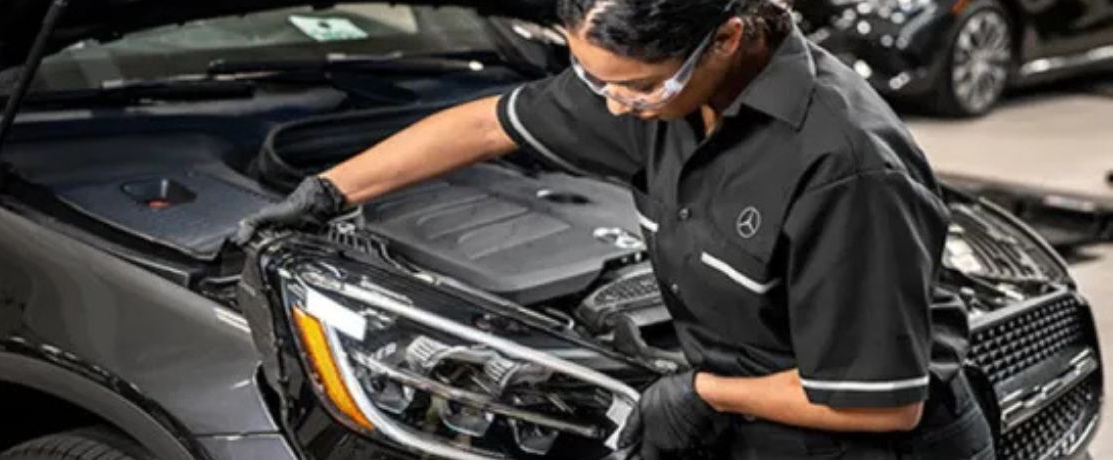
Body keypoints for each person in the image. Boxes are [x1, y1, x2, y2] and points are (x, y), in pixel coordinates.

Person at [234, 0, 994, 458]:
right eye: (592, 79)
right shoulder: (657, 94)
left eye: (630, 86)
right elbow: (484, 125)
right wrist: (329, 190)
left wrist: (704, 392)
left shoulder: (843, 164)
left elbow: (879, 401)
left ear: (727, 38)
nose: (611, 104)